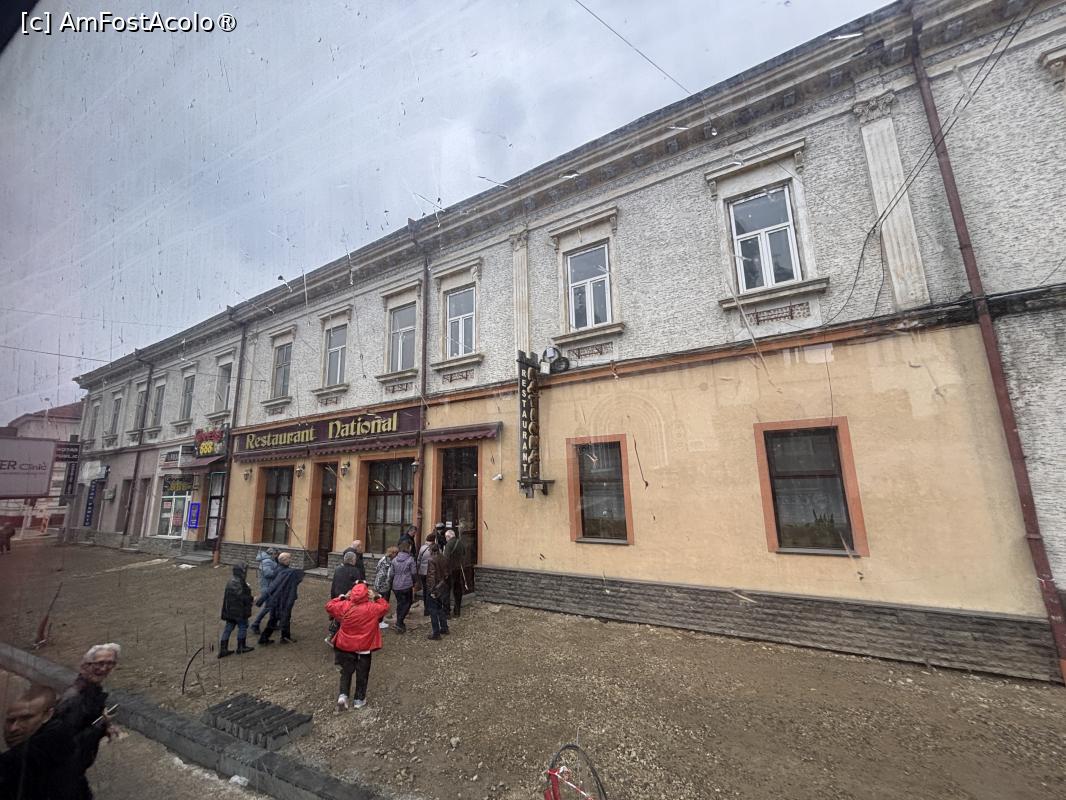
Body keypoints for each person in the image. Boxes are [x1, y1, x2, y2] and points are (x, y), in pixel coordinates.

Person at [55, 643, 120, 799]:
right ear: (85, 665)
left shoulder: (92, 690)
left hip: (76, 770)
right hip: (63, 772)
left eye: (110, 663)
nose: (104, 668)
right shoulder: (76, 699)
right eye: (99, 663)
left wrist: (104, 727)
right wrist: (101, 725)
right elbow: (66, 742)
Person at [0, 684, 79, 799]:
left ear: (47, 715)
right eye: (10, 720)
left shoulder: (20, 762)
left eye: (26, 718)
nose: (13, 728)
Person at [325, 582, 389, 711]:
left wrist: (343, 597)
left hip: (345, 646)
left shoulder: (344, 606)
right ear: (367, 595)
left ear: (352, 594)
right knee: (362, 673)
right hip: (364, 647)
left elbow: (329, 605)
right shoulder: (373, 608)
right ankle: (359, 700)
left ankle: (343, 696)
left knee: (346, 671)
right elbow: (385, 607)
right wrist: (376, 597)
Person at [256, 552, 303, 645]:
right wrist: (261, 599)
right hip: (283, 599)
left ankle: (264, 638)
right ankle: (284, 637)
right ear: (284, 560)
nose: (290, 560)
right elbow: (274, 585)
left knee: (274, 619)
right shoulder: (287, 572)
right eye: (289, 558)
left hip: (277, 598)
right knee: (284, 617)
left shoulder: (279, 570)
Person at [327, 551, 363, 644]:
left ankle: (332, 636)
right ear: (352, 560)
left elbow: (333, 585)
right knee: (346, 619)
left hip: (338, 596)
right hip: (349, 598)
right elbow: (358, 587)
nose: (355, 561)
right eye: (355, 559)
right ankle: (337, 639)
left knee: (338, 617)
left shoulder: (338, 569)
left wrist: (333, 598)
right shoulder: (355, 571)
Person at [218, 564, 255, 658]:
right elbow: (242, 597)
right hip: (239, 610)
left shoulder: (231, 580)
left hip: (229, 610)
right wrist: (251, 598)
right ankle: (241, 647)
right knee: (242, 626)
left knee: (228, 628)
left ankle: (223, 649)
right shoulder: (238, 583)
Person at [424, 542, 450, 640]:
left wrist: (431, 590)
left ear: (431, 550)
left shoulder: (431, 560)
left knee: (433, 610)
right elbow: (446, 573)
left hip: (435, 588)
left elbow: (431, 577)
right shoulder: (443, 558)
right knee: (440, 608)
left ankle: (436, 633)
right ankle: (444, 627)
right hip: (442, 586)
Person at [250, 547, 279, 635]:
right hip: (267, 587)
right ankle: (255, 624)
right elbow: (268, 574)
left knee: (274, 606)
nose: (277, 556)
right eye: (276, 554)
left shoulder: (270, 560)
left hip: (270, 586)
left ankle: (272, 623)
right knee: (268, 607)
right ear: (272, 554)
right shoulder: (267, 561)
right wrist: (279, 572)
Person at [390, 541, 417, 634]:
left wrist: (392, 583)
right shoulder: (410, 559)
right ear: (408, 548)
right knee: (408, 603)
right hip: (406, 584)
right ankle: (399, 622)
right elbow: (413, 573)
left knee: (400, 603)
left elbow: (391, 574)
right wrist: (414, 582)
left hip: (396, 585)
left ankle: (399, 623)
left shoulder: (394, 560)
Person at [443, 528, 471, 618]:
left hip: (450, 570)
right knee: (457, 591)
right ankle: (457, 611)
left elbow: (446, 558)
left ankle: (447, 612)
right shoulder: (460, 543)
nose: (446, 539)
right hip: (458, 569)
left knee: (446, 591)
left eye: (446, 537)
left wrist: (444, 571)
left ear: (448, 537)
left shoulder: (449, 544)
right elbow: (464, 554)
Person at [373, 546, 397, 630]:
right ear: (393, 553)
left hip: (378, 582)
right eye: (396, 553)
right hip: (384, 585)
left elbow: (377, 569)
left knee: (378, 601)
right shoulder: (390, 562)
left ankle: (377, 620)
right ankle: (380, 621)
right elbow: (390, 575)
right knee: (383, 603)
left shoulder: (382, 559)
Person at [416, 532, 436, 616]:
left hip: (422, 572)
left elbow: (418, 560)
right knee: (430, 590)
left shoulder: (422, 548)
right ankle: (429, 608)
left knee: (425, 590)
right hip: (430, 573)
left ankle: (426, 608)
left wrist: (418, 570)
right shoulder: (434, 549)